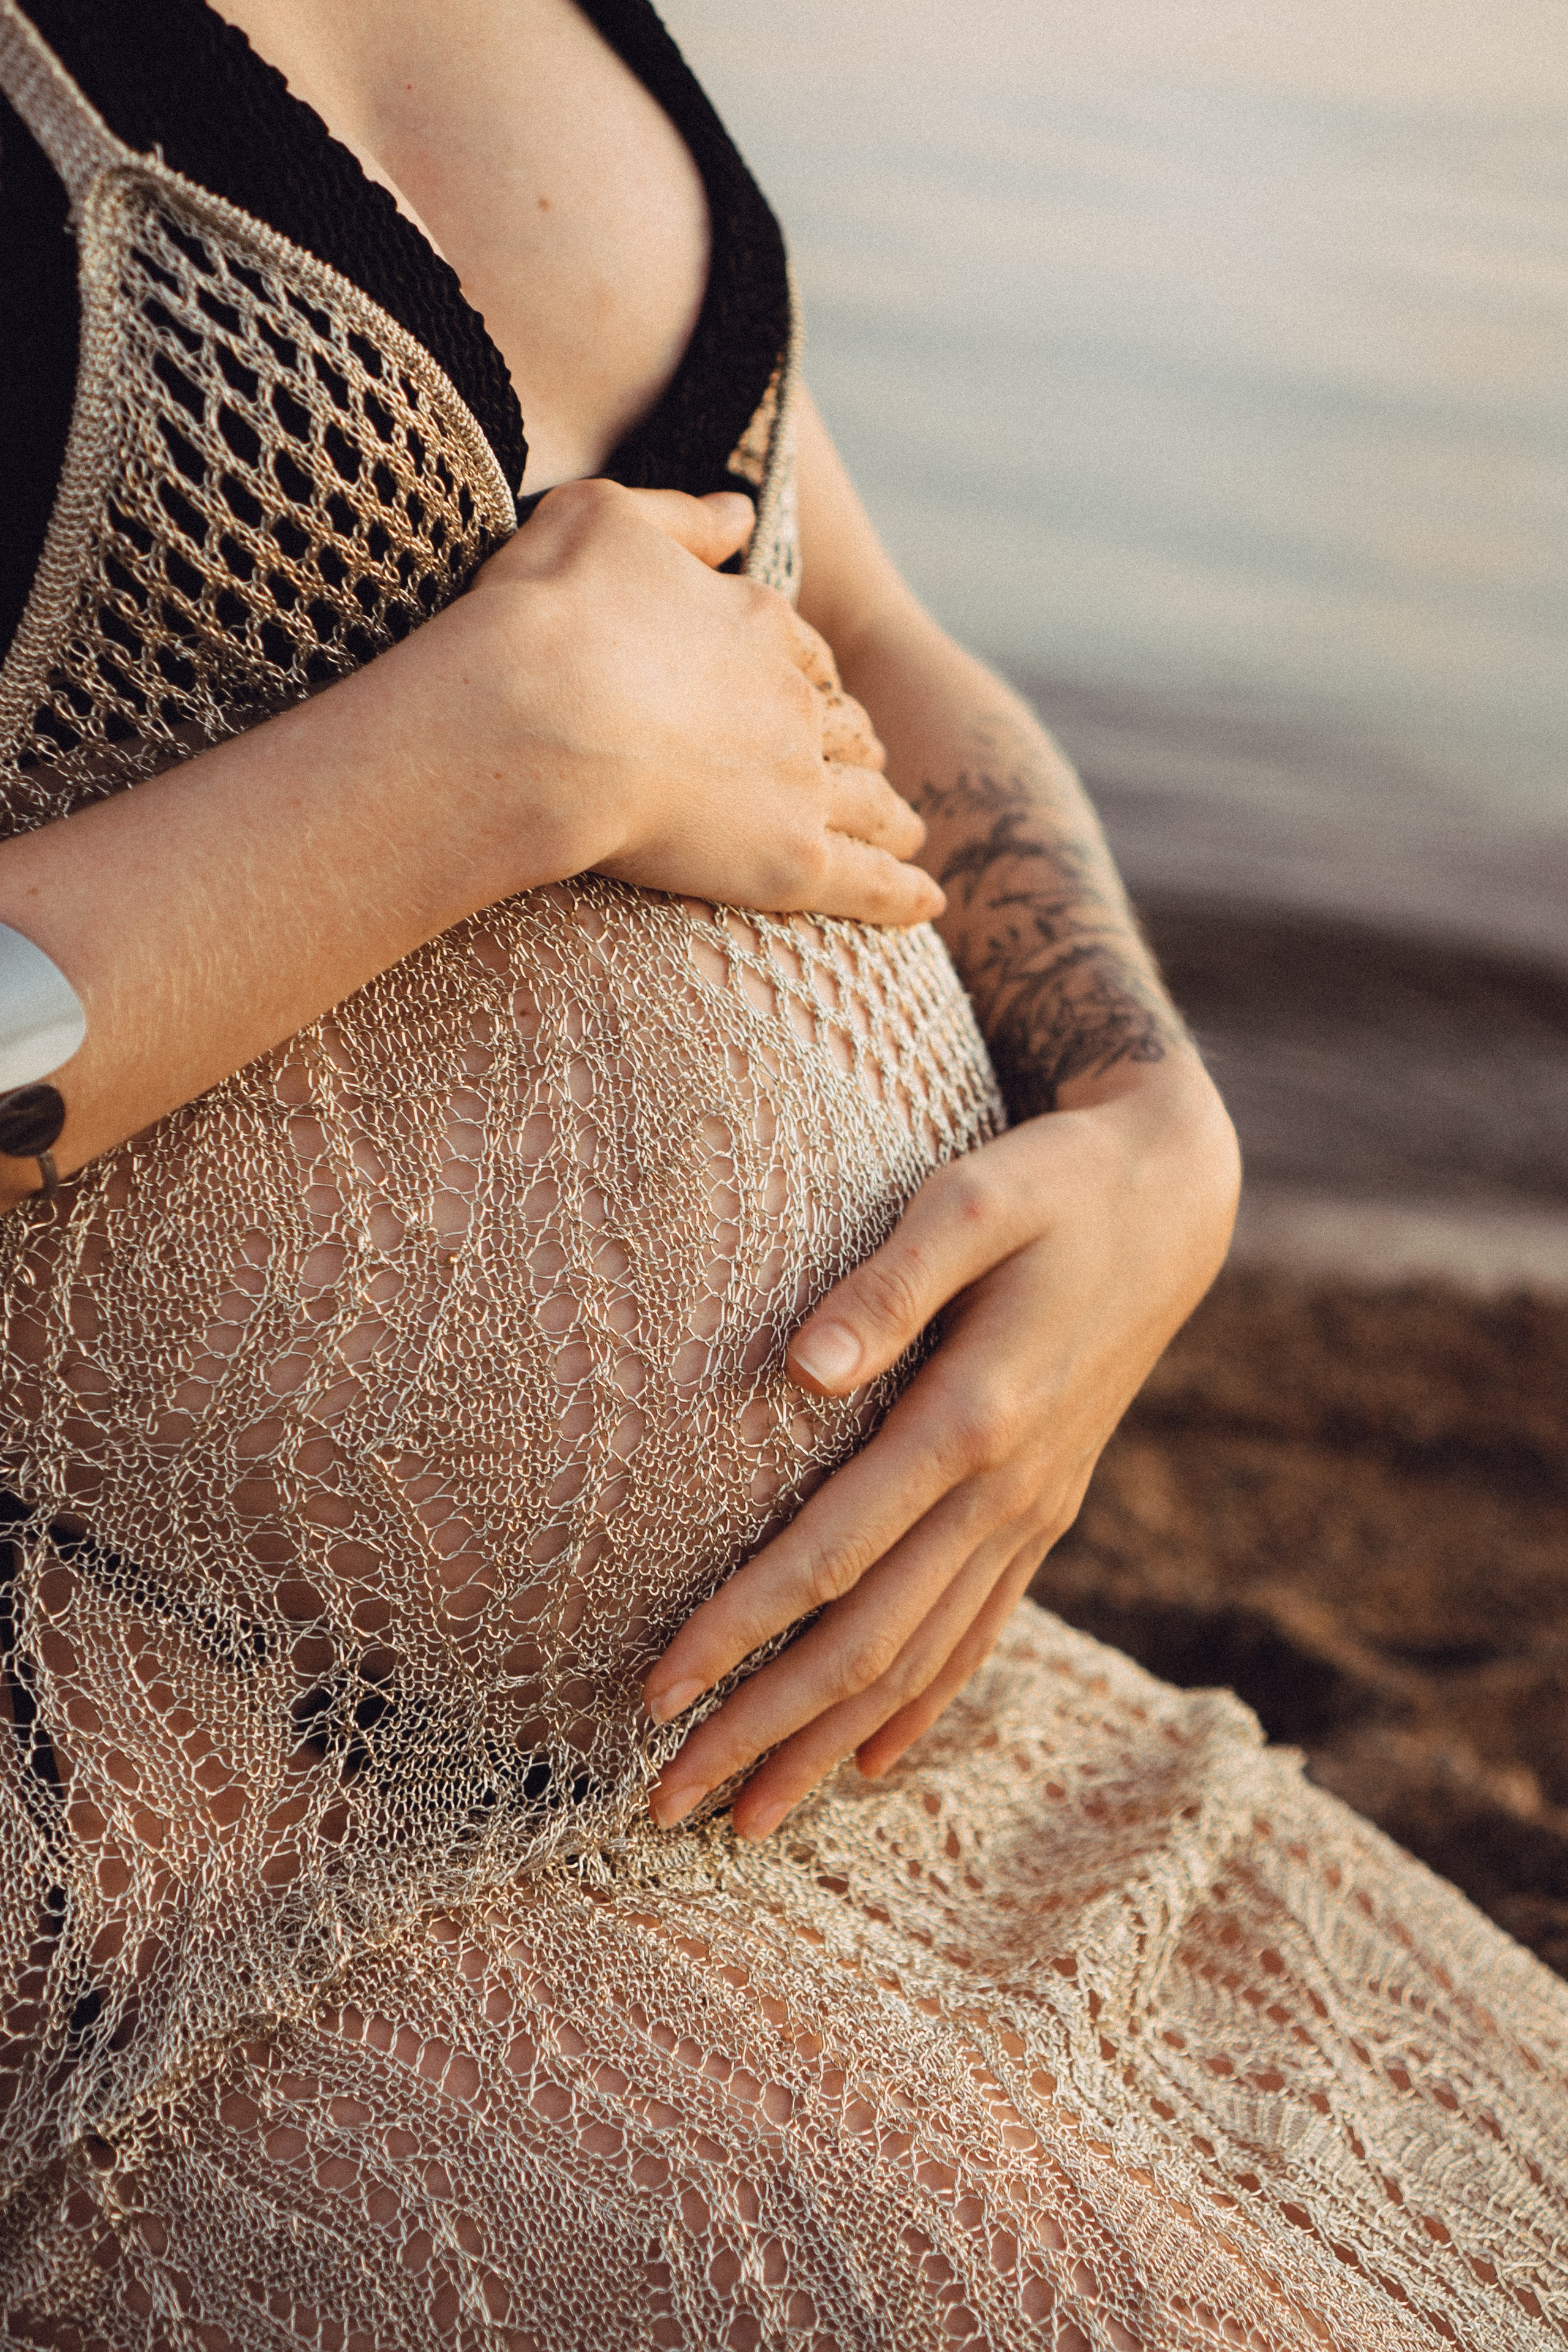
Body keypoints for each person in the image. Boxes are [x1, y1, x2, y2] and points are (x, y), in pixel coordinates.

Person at [0, 2, 1564, 2345]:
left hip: (881, 1722)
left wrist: (1147, 1110)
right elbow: (565, 721)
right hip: (200, 1826)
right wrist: (482, 767)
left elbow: (858, 623)